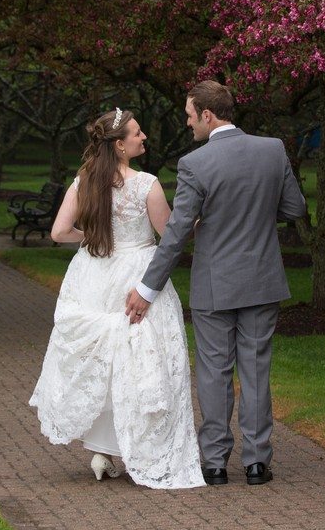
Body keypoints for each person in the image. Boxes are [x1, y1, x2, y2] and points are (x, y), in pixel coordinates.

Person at [126, 81, 307, 486]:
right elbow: (295, 207)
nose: (188, 123)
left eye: (190, 116)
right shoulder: (273, 149)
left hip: (215, 283)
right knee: (256, 370)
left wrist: (146, 288)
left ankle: (214, 463)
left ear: (208, 115)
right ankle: (258, 463)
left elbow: (175, 234)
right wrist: (258, 214)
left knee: (214, 371)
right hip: (262, 279)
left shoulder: (196, 164)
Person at [29, 108, 205, 489]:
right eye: (138, 134)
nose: (144, 138)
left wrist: (90, 238)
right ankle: (138, 446)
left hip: (94, 274)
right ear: (120, 145)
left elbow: (59, 232)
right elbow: (169, 232)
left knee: (104, 360)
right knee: (142, 358)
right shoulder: (146, 184)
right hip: (136, 274)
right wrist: (201, 217)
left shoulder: (85, 180)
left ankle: (102, 451)